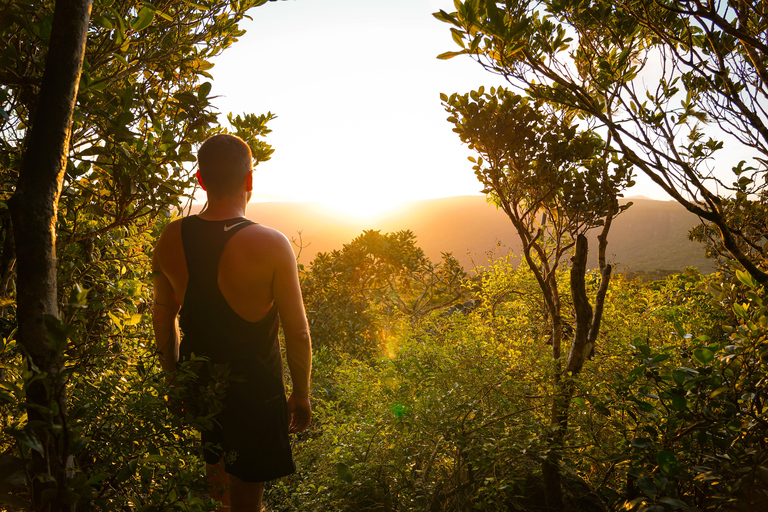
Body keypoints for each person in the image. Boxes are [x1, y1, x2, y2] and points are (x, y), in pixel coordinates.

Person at [152, 133, 312, 512]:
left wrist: (175, 381)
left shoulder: (171, 236)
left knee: (218, 490)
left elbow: (163, 316)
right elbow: (298, 330)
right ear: (249, 179)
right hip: (257, 391)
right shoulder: (272, 243)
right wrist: (301, 393)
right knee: (248, 502)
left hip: (203, 382)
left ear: (201, 179)